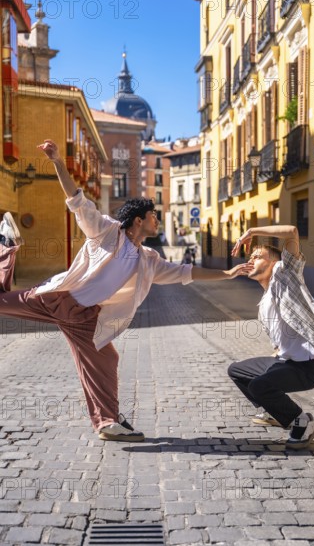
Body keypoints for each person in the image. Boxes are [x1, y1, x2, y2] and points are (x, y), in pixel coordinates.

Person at [0, 139, 248, 442]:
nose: (157, 220)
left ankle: (107, 422)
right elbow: (77, 200)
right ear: (138, 220)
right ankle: (7, 248)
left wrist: (226, 273)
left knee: (107, 360)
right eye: (154, 216)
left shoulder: (149, 261)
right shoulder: (106, 231)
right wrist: (57, 163)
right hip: (59, 298)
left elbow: (186, 272)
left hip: (86, 319)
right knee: (3, 301)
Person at [228, 225, 314, 449]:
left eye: (258, 256)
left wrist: (251, 232)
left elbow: (292, 231)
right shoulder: (263, 304)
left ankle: (302, 421)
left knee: (259, 386)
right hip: (286, 362)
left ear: (274, 262)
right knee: (237, 370)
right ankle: (274, 410)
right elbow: (280, 341)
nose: (251, 260)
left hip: (306, 368)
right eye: (250, 257)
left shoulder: (285, 275)